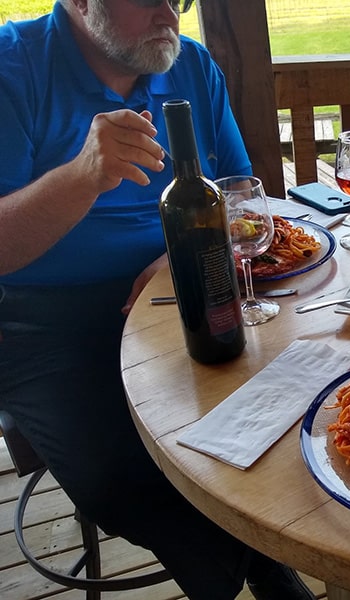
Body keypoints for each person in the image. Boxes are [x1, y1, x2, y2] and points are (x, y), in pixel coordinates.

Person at [0, 1, 314, 598]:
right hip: (46, 319)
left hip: (180, 285)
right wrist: (82, 174)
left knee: (285, 409)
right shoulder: (13, 67)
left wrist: (174, 256)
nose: (171, 11)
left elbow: (241, 198)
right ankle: (259, 569)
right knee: (125, 478)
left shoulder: (194, 66)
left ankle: (255, 556)